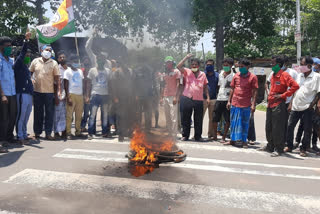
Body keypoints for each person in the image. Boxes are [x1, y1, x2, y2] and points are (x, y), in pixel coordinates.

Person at [261, 56, 299, 156]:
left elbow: (295, 86)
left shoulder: (285, 75)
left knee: (278, 128)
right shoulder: (273, 74)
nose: (271, 65)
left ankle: (279, 148)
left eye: (273, 63)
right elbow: (268, 85)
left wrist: (283, 95)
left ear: (278, 65)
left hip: (279, 105)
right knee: (269, 126)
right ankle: (270, 146)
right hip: (270, 104)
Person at [285, 56, 320, 157]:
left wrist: (312, 105)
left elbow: (318, 93)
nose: (300, 66)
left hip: (307, 108)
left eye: (302, 64)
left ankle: (303, 148)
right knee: (290, 126)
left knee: (307, 129)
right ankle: (289, 146)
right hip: (296, 106)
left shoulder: (316, 77)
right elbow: (295, 91)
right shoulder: (299, 76)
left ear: (309, 66)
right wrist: (291, 103)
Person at [29, 45, 60, 140]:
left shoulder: (54, 63)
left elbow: (57, 78)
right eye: (47, 50)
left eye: (50, 50)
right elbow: (30, 73)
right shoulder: (35, 61)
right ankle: (37, 133)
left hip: (49, 92)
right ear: (41, 51)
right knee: (38, 112)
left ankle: (48, 133)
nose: (48, 52)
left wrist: (57, 93)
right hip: (37, 91)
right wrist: (31, 79)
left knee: (49, 113)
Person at [177, 54, 210, 142]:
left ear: (199, 65)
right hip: (187, 98)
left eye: (195, 64)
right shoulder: (187, 71)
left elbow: (205, 86)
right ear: (190, 65)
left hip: (198, 99)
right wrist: (186, 57)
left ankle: (198, 136)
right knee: (185, 118)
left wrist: (208, 97)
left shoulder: (203, 74)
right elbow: (178, 66)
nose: (194, 66)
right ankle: (185, 135)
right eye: (192, 64)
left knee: (198, 119)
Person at [226, 59, 258, 148]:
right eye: (239, 67)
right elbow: (232, 88)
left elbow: (255, 91)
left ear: (248, 67)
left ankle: (244, 141)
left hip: (246, 104)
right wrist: (229, 101)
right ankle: (232, 140)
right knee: (234, 122)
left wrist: (253, 104)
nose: (240, 68)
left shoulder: (253, 77)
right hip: (235, 103)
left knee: (245, 123)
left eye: (242, 67)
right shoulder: (236, 76)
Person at [85, 50, 111, 140]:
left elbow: (110, 84)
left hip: (105, 95)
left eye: (103, 59)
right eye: (99, 59)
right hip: (95, 94)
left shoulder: (108, 71)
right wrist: (87, 96)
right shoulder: (92, 70)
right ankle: (91, 133)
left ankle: (104, 132)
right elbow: (88, 84)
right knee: (92, 115)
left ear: (105, 61)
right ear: (97, 60)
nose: (101, 61)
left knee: (105, 115)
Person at [14, 32, 33, 145]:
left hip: (28, 94)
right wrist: (26, 41)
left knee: (26, 115)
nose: (28, 56)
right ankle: (19, 136)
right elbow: (21, 54)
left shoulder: (26, 67)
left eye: (29, 55)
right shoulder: (18, 64)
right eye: (26, 55)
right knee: (21, 115)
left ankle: (24, 133)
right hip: (21, 93)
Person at [109, 60, 135, 142]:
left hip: (129, 97)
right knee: (120, 116)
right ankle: (120, 134)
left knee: (129, 116)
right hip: (120, 98)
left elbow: (134, 83)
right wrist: (115, 97)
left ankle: (129, 132)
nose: (125, 64)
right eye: (124, 63)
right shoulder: (117, 72)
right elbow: (113, 85)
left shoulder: (130, 72)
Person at [0, 36, 16, 153]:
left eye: (11, 46)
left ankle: (9, 137)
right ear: (1, 47)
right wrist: (2, 95)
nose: (10, 48)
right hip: (4, 93)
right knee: (3, 118)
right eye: (7, 46)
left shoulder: (10, 60)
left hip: (12, 92)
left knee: (12, 116)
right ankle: (2, 140)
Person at [64, 55, 86, 140]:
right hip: (71, 94)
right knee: (69, 115)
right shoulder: (67, 71)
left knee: (79, 115)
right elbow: (65, 84)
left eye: (77, 61)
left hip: (80, 95)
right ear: (71, 62)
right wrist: (68, 97)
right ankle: (68, 133)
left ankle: (78, 132)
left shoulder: (80, 71)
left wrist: (83, 95)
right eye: (74, 61)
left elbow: (83, 83)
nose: (76, 62)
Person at [212, 58, 234, 142]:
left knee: (227, 119)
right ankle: (215, 136)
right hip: (219, 98)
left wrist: (229, 101)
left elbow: (233, 88)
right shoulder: (220, 74)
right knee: (215, 118)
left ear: (231, 66)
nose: (225, 67)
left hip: (227, 100)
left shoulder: (234, 76)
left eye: (227, 65)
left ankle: (224, 137)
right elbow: (219, 86)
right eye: (224, 65)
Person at [160, 56, 181, 136]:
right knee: (167, 115)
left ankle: (174, 133)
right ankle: (169, 132)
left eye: (170, 62)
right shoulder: (164, 73)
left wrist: (176, 96)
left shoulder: (176, 72)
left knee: (174, 116)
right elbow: (162, 85)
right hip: (165, 96)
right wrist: (161, 98)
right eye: (167, 62)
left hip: (173, 96)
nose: (168, 64)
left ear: (173, 63)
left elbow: (179, 84)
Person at [202, 59, 219, 139]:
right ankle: (198, 134)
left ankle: (210, 134)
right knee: (199, 117)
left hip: (213, 99)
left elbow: (218, 87)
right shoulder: (202, 74)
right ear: (205, 65)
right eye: (207, 65)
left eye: (211, 65)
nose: (209, 66)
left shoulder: (217, 75)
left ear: (213, 66)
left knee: (212, 118)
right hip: (203, 99)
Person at [53, 51, 68, 140]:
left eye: (63, 57)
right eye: (60, 57)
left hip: (68, 95)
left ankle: (64, 131)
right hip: (59, 94)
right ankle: (56, 132)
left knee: (65, 114)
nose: (62, 59)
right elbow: (55, 85)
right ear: (58, 59)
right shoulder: (56, 69)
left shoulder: (68, 69)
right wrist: (56, 97)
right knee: (57, 114)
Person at [81, 56, 92, 132]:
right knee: (80, 112)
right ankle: (81, 126)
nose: (86, 62)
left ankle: (84, 126)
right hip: (81, 93)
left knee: (87, 112)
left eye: (88, 61)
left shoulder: (92, 71)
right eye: (85, 61)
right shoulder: (81, 71)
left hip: (90, 93)